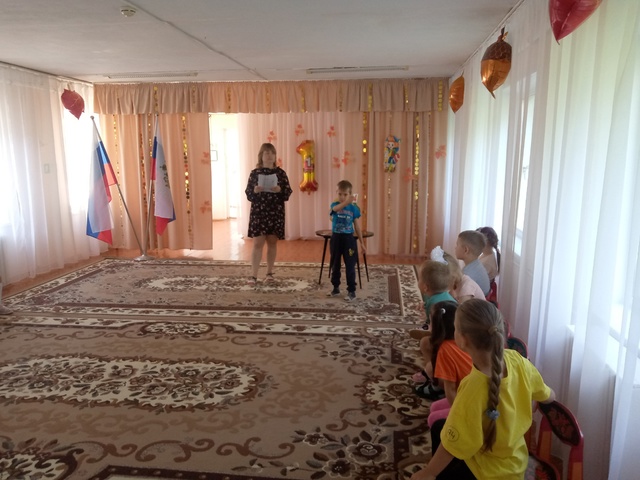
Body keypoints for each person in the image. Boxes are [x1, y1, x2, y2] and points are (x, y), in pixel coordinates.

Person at [410, 299, 556, 480]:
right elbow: (547, 395)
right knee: (440, 426)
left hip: (483, 472)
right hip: (516, 463)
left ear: (462, 340)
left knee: (442, 437)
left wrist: (429, 472)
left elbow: (452, 445)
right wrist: (550, 396)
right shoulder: (517, 360)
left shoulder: (472, 389)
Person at [244, 143, 292, 286]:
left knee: (272, 242)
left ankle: (269, 273)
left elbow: (287, 193)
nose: (269, 155)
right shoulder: (254, 173)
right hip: (259, 212)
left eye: (272, 153)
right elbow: (248, 194)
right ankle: (253, 275)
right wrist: (255, 191)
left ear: (275, 156)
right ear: (261, 156)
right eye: (266, 153)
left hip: (275, 212)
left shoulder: (281, 173)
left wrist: (279, 190)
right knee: (257, 243)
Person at [414, 301, 472, 403]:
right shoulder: (468, 337)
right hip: (478, 388)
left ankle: (436, 387)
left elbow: (451, 389)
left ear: (435, 326)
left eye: (430, 322)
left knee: (430, 367)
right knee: (426, 343)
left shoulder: (445, 349)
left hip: (463, 393)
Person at [326, 180, 366, 302]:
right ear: (336, 193)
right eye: (340, 194)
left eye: (345, 194)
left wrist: (362, 243)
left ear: (350, 194)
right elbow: (335, 209)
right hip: (336, 238)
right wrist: (346, 202)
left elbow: (357, 226)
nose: (342, 197)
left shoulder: (353, 208)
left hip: (349, 240)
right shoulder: (334, 205)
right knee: (335, 263)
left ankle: (351, 291)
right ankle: (336, 287)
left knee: (350, 265)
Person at [455, 230, 491, 296]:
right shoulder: (476, 264)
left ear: (466, 250)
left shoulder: (468, 274)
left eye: (457, 245)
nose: (455, 248)